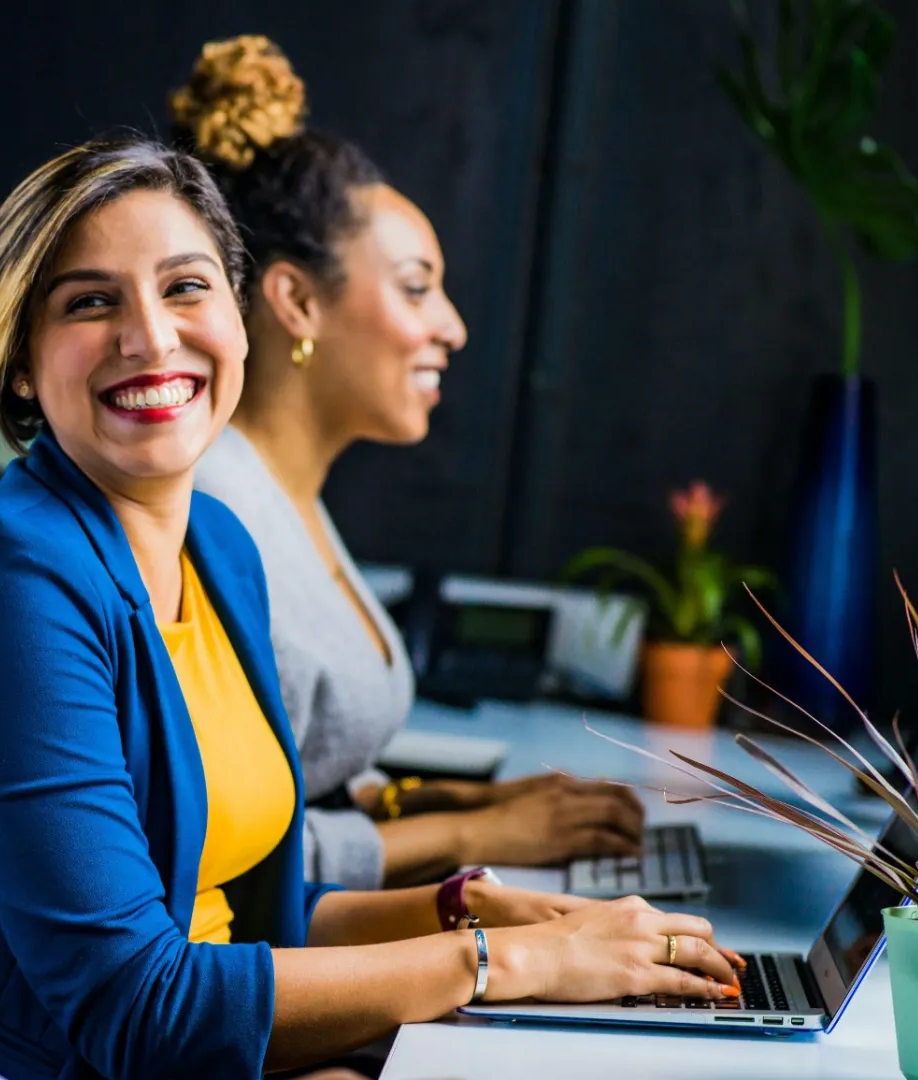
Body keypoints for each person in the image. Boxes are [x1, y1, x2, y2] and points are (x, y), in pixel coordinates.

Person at [0, 135, 743, 1080]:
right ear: (23, 365)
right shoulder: (7, 584)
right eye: (90, 302)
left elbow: (258, 919)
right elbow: (135, 1007)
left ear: (240, 321)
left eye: (187, 287)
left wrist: (473, 912)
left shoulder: (220, 549)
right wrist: (504, 963)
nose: (152, 336)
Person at [178, 35, 646, 891]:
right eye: (416, 287)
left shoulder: (287, 498)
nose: (453, 327)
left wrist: (458, 804)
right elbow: (226, 860)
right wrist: (479, 834)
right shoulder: (215, 516)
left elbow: (304, 781)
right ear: (297, 300)